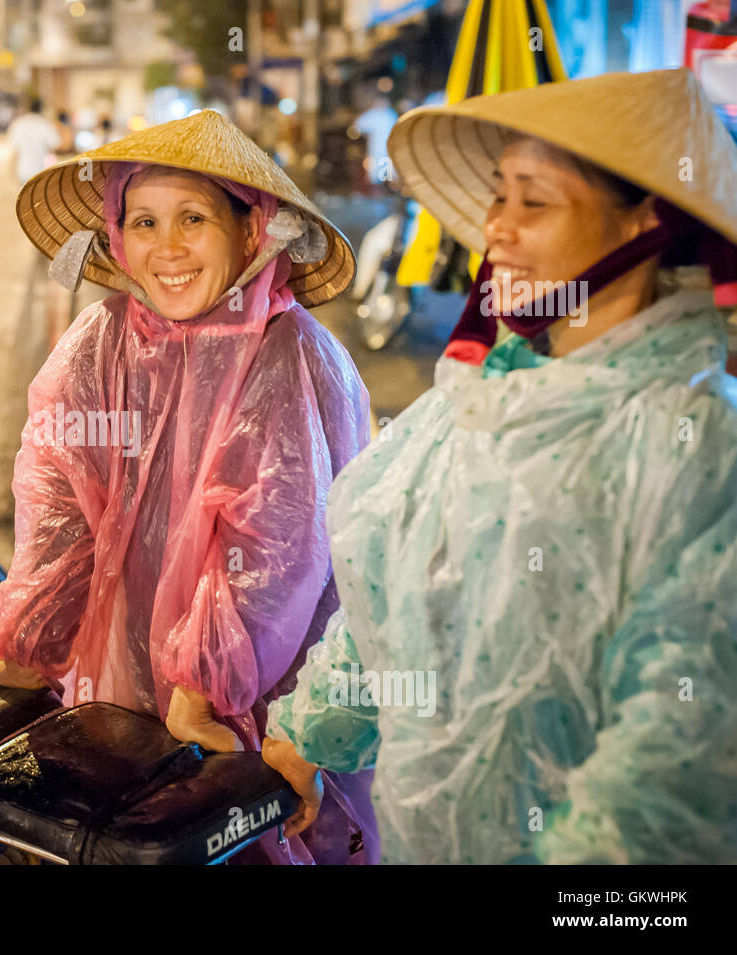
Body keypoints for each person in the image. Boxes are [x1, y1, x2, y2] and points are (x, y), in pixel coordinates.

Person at [263, 68, 737, 863]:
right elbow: (395, 595)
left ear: (643, 225)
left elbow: (675, 763)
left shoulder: (695, 442)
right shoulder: (478, 398)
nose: (499, 231)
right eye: (499, 196)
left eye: (535, 201)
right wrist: (309, 735)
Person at [0, 108, 378, 864]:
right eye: (144, 221)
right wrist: (30, 645)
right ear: (116, 235)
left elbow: (279, 540)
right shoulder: (101, 340)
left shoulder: (290, 351)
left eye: (193, 217)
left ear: (251, 229)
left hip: (262, 689)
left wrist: (202, 687)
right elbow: (57, 496)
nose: (167, 248)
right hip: (125, 673)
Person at [7, 98, 61, 185]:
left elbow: (15, 151)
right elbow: (53, 149)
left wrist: (12, 172)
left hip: (22, 172)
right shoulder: (46, 124)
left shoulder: (19, 124)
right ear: (41, 109)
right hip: (41, 172)